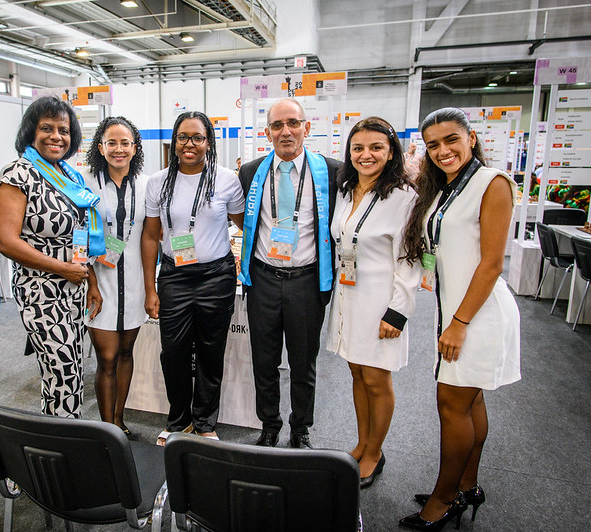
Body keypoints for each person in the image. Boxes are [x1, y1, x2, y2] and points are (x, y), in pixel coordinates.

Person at [400, 107, 520, 530]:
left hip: (478, 312)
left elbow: (491, 264)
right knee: (472, 401)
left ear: (472, 137)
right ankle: (467, 485)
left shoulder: (493, 183)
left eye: (451, 140)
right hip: (457, 308)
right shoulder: (445, 188)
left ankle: (444, 497)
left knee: (451, 405)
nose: (442, 150)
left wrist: (460, 323)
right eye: (432, 144)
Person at [238, 98, 342, 449]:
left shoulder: (331, 171)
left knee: (303, 362)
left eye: (293, 123)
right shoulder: (252, 172)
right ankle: (269, 423)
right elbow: (244, 220)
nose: (286, 131)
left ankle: (301, 428)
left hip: (307, 282)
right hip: (264, 279)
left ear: (306, 128)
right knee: (264, 360)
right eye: (277, 125)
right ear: (267, 132)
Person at [0, 96, 104, 418]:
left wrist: (89, 280)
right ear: (31, 132)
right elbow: (5, 240)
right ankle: (60, 450)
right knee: (62, 370)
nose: (56, 136)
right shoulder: (18, 174)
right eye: (46, 128)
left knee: (71, 370)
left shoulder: (69, 176)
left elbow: (78, 235)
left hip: (73, 289)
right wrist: (62, 269)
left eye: (63, 130)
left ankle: (62, 438)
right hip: (41, 291)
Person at [327, 117, 421, 487]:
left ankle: (375, 453)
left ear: (391, 151)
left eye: (376, 147)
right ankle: (362, 442)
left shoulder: (404, 197)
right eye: (358, 148)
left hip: (382, 302)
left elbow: (410, 259)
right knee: (357, 373)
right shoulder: (347, 190)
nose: (366, 155)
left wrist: (398, 312)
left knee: (377, 379)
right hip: (349, 296)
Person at [141, 111, 244, 445]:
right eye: (183, 137)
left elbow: (245, 224)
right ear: (174, 142)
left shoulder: (227, 179)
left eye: (198, 138)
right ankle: (179, 420)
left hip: (216, 277)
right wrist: (149, 288)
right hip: (175, 276)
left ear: (208, 143)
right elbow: (150, 236)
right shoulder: (158, 182)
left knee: (212, 350)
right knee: (173, 352)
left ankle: (204, 421)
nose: (190, 144)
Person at [83, 116, 148, 436]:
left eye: (125, 143)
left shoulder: (147, 184)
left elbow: (152, 235)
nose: (119, 149)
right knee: (106, 358)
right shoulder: (84, 183)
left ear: (135, 148)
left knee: (126, 353)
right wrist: (90, 282)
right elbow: (77, 238)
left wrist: (151, 288)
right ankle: (106, 428)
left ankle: (119, 420)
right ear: (100, 147)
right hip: (99, 285)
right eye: (112, 142)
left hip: (134, 282)